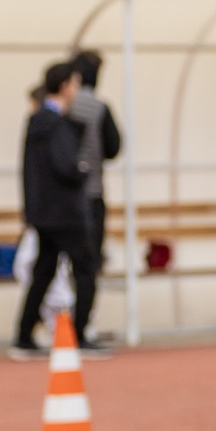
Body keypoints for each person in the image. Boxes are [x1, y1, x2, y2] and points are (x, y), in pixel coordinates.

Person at [13, 62, 100, 359]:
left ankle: (23, 335)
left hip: (43, 212)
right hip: (66, 213)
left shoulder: (36, 122)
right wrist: (82, 170)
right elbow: (66, 167)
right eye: (74, 85)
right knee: (86, 268)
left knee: (44, 272)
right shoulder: (57, 125)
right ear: (64, 86)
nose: (76, 91)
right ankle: (79, 335)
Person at [66, 50, 123, 342]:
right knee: (88, 266)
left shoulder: (63, 107)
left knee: (56, 266)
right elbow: (114, 148)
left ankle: (57, 324)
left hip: (62, 198)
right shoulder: (99, 107)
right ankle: (82, 327)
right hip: (92, 195)